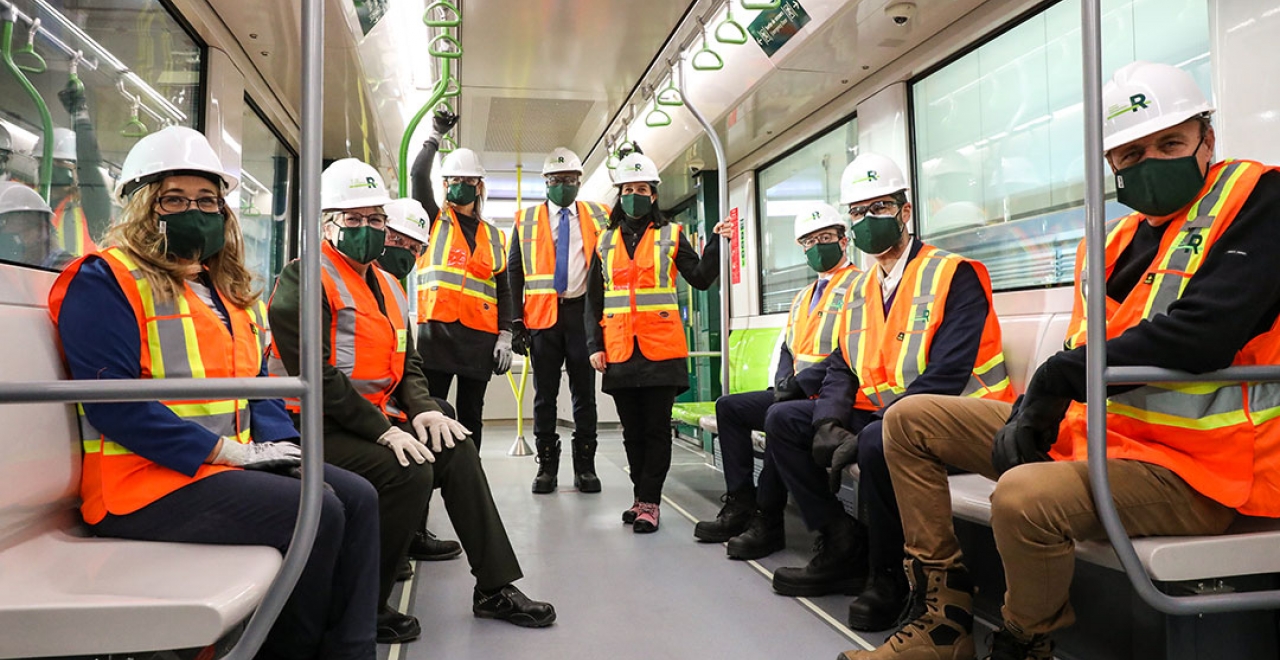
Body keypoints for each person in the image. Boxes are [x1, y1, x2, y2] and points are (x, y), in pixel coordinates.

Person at [839, 61, 1280, 660]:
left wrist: (1055, 380)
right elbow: (1083, 346)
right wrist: (1034, 406)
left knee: (1023, 496)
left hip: (1203, 470)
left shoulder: (1257, 200)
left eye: (1170, 143)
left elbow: (1204, 335)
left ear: (1207, 138)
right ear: (1112, 164)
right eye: (1131, 153)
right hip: (1103, 437)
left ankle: (1025, 642)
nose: (1150, 161)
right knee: (908, 421)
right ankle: (944, 617)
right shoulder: (1114, 243)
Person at [48, 126, 380, 659]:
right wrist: (225, 452)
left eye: (207, 200)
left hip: (222, 467)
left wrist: (281, 446)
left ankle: (351, 650)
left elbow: (259, 386)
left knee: (360, 497)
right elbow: (113, 405)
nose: (194, 211)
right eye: (174, 199)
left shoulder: (227, 291)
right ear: (144, 206)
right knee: (317, 510)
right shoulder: (106, 280)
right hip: (141, 483)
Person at [269, 159, 556, 643]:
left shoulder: (388, 285)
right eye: (353, 218)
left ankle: (494, 587)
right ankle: (363, 606)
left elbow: (408, 364)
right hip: (310, 426)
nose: (367, 228)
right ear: (327, 223)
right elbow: (316, 375)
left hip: (367, 420)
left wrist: (423, 410)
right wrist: (385, 430)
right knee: (409, 470)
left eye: (375, 219)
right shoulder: (305, 278)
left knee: (455, 446)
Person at [766, 153, 1012, 635]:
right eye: (857, 212)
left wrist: (874, 427)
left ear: (905, 211)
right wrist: (828, 422)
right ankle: (841, 543)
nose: (867, 220)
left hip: (957, 423)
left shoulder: (953, 274)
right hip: (884, 416)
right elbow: (843, 365)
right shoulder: (862, 288)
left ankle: (890, 576)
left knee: (881, 442)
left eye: (879, 207)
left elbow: (947, 373)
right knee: (784, 421)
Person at [693, 202, 859, 560]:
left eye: (825, 238)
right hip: (797, 392)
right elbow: (789, 346)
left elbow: (849, 349)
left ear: (843, 241)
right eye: (809, 241)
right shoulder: (803, 297)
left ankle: (768, 520)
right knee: (730, 408)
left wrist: (799, 384)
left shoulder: (861, 287)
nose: (817, 246)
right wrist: (784, 381)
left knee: (778, 418)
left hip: (833, 397)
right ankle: (741, 503)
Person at [586, 151, 733, 533]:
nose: (634, 196)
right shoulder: (604, 241)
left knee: (655, 430)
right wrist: (594, 345)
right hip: (619, 349)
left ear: (653, 195)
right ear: (620, 195)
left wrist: (717, 243)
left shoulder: (671, 235)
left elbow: (700, 277)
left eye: (641, 189)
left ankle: (650, 502)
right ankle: (641, 498)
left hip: (661, 351)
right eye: (627, 189)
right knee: (632, 433)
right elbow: (593, 299)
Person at [508, 147, 611, 494]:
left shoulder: (600, 214)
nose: (562, 185)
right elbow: (514, 271)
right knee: (545, 396)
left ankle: (586, 467)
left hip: (583, 316)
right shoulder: (525, 220)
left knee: (584, 394)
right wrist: (516, 322)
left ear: (579, 182)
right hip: (542, 318)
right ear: (545, 182)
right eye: (555, 179)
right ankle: (547, 468)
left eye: (569, 179)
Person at [411, 110, 512, 452]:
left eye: (469, 181)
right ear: (445, 184)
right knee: (433, 410)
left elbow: (503, 290)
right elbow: (417, 174)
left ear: (479, 186)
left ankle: (469, 472)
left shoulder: (494, 235)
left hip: (479, 340)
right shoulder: (432, 219)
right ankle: (432, 470)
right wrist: (434, 136)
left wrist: (506, 334)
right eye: (455, 180)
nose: (461, 185)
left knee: (471, 415)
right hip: (436, 336)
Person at [377, 196, 465, 568]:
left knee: (443, 414)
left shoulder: (394, 292)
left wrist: (423, 408)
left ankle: (413, 533)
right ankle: (395, 546)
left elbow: (407, 361)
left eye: (415, 249)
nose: (406, 254)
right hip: (356, 409)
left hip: (385, 398)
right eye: (398, 241)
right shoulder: (341, 283)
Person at [43, 78, 113, 257]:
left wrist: (80, 117)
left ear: (74, 169)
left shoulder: (92, 207)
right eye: (42, 162)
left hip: (79, 273)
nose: (48, 169)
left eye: (58, 163)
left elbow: (89, 167)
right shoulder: (33, 202)